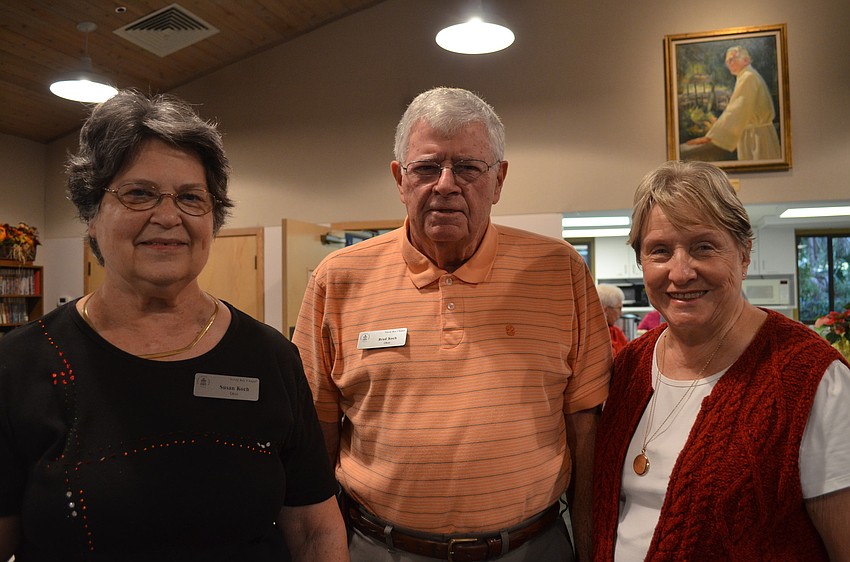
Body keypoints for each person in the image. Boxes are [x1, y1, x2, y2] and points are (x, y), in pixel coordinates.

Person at [0, 90, 348, 562]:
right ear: (91, 215)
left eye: (190, 197)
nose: (168, 217)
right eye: (139, 193)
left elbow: (313, 530)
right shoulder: (20, 364)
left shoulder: (270, 357)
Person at [293, 87, 611, 562]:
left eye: (467, 167)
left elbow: (586, 428)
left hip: (533, 547)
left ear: (498, 180)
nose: (445, 184)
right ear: (400, 179)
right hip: (379, 548)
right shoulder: (336, 279)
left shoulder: (559, 271)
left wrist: (590, 551)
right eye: (426, 168)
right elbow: (312, 435)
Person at [592, 160, 850, 560]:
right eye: (660, 251)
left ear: (744, 254)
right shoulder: (630, 367)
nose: (680, 272)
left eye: (703, 247)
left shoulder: (813, 379)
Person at [684, 45, 781, 162]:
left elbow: (736, 110)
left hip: (756, 137)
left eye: (732, 59)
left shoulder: (748, 77)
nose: (729, 64)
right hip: (758, 134)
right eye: (727, 61)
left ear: (745, 60)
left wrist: (710, 136)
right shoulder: (748, 75)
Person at [597, 284, 629, 356]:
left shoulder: (616, 331)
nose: (621, 314)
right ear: (605, 310)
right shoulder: (593, 335)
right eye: (619, 308)